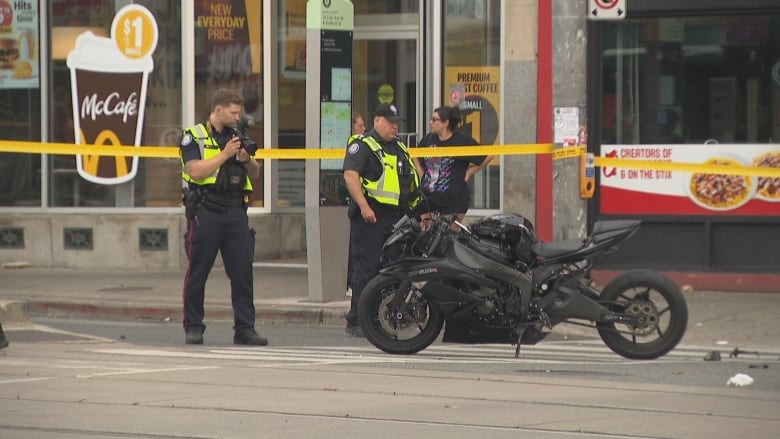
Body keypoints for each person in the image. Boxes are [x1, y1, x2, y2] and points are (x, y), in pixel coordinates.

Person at [179, 88, 267, 346]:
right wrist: (225, 154)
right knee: (198, 272)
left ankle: (245, 329)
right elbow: (195, 170)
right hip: (205, 211)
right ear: (218, 110)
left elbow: (256, 174)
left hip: (235, 211)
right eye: (234, 112)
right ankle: (193, 327)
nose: (238, 116)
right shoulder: (192, 137)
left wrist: (245, 159)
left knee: (242, 273)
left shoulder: (237, 137)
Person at [342, 104, 420, 336]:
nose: (395, 126)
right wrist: (364, 206)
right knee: (366, 270)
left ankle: (380, 317)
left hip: (398, 219)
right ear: (376, 120)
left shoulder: (400, 148)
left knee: (392, 271)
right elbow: (350, 175)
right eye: (390, 121)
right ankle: (357, 320)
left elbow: (413, 182)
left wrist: (422, 212)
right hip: (372, 218)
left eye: (397, 122)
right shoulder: (363, 146)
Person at [413, 105, 493, 224]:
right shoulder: (429, 139)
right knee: (426, 236)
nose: (431, 123)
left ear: (445, 123)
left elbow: (489, 155)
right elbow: (415, 154)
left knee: (448, 237)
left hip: (454, 200)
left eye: (435, 120)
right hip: (429, 199)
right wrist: (421, 172)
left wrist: (469, 172)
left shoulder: (462, 141)